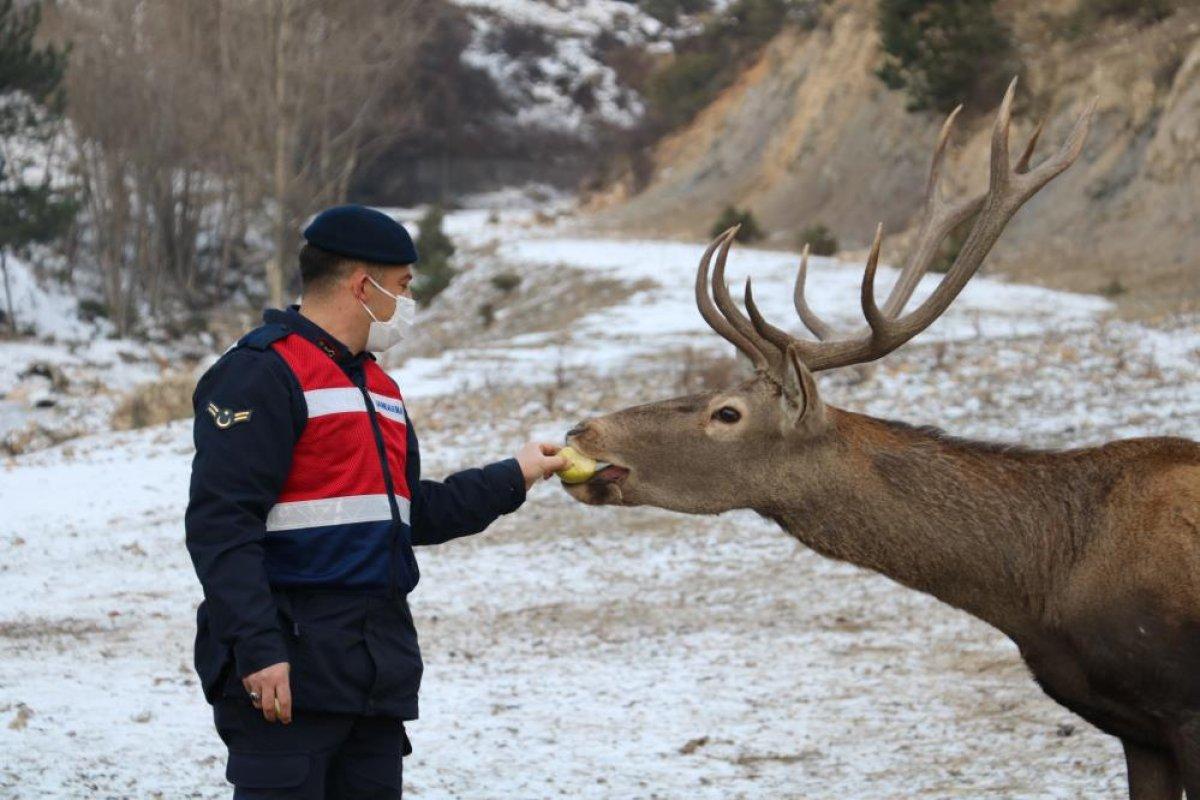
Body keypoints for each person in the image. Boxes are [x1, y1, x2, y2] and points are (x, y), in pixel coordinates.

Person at [185, 204, 566, 799]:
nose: (408, 303)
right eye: (404, 286)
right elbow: (221, 527)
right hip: (288, 677)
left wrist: (514, 475)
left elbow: (412, 512)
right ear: (363, 286)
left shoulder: (379, 388)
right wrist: (259, 650)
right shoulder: (259, 374)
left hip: (373, 675)